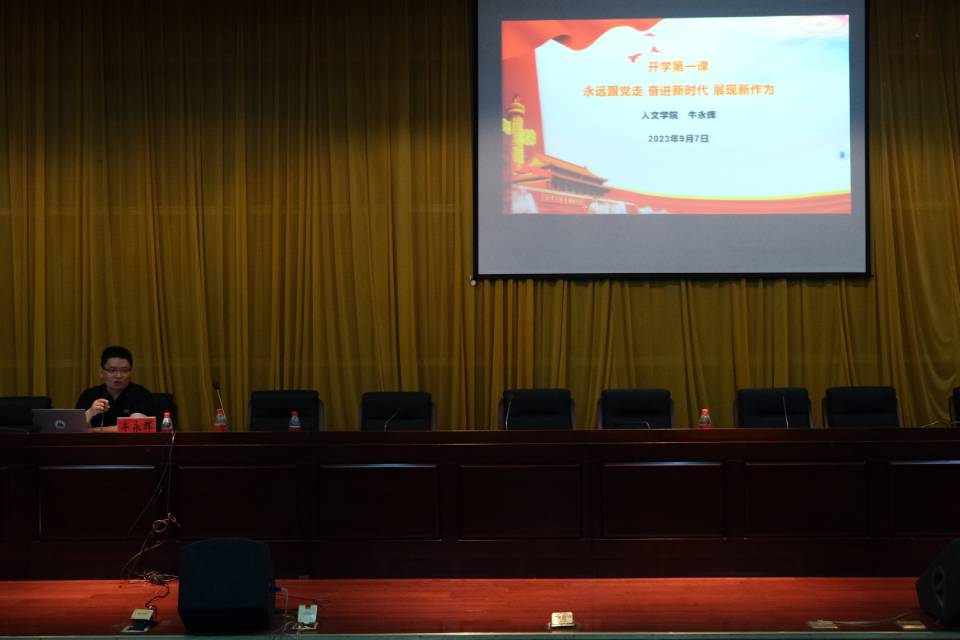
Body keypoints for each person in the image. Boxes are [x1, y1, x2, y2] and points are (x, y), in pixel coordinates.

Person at [76, 346, 153, 432]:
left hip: (129, 441)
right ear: (101, 372)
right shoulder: (89, 395)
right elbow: (74, 428)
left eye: (124, 370)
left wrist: (94, 430)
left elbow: (136, 426)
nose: (118, 375)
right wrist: (90, 412)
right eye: (112, 370)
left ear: (131, 372)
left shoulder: (140, 394)